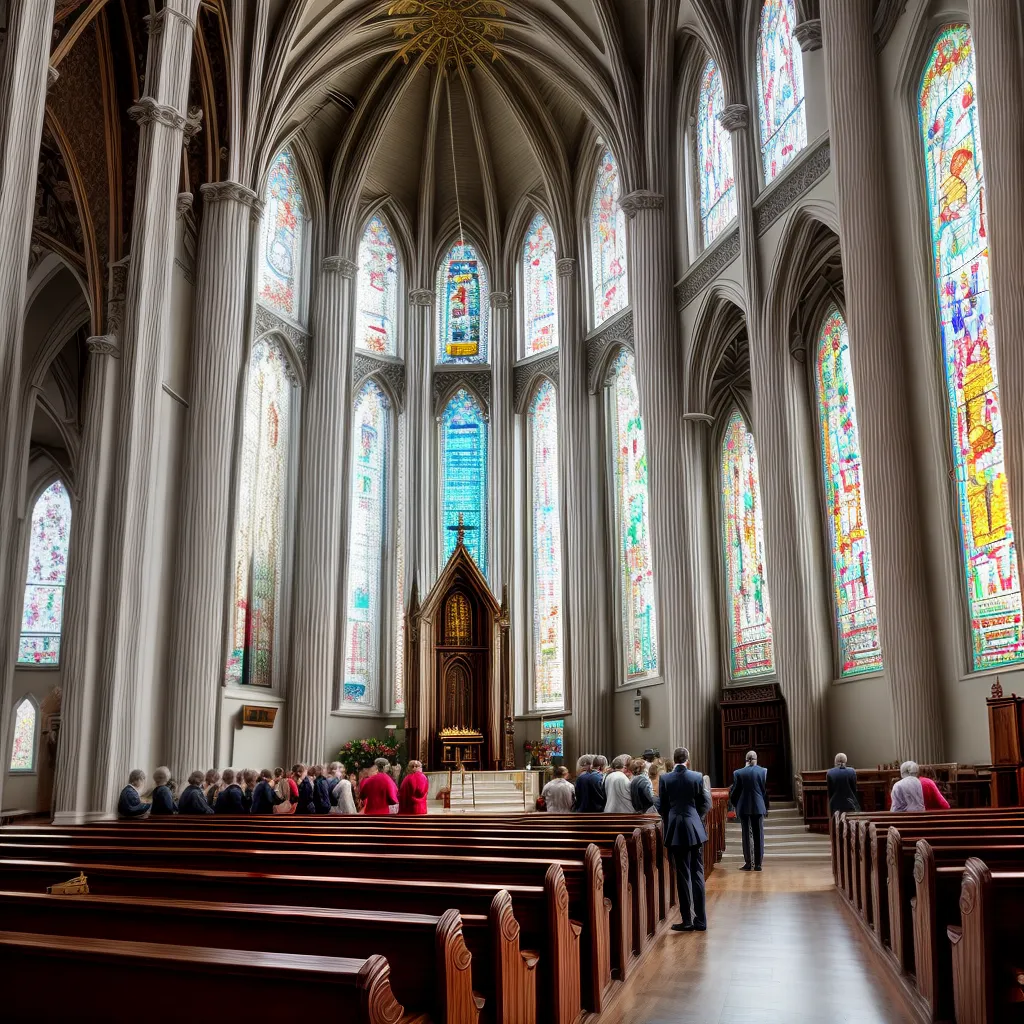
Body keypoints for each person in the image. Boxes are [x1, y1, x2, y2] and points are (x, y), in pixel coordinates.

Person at [659, 746, 710, 931]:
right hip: (694, 828)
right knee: (697, 873)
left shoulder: (665, 778)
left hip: (675, 829)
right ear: (687, 760)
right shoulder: (697, 776)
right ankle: (702, 920)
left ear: (674, 761)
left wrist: (670, 821)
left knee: (682, 875)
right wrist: (697, 818)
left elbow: (662, 806)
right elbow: (704, 802)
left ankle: (687, 920)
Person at [730, 750, 770, 871]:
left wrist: (734, 804)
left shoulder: (738, 773)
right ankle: (758, 864)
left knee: (746, 835)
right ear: (756, 759)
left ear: (746, 759)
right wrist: (766, 806)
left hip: (744, 806)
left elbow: (735, 792)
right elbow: (764, 791)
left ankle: (748, 863)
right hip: (758, 806)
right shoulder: (763, 771)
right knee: (759, 835)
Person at [827, 753, 860, 817]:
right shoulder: (852, 771)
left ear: (835, 761)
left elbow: (830, 791)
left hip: (835, 804)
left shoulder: (830, 773)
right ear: (846, 761)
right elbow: (854, 789)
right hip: (850, 803)